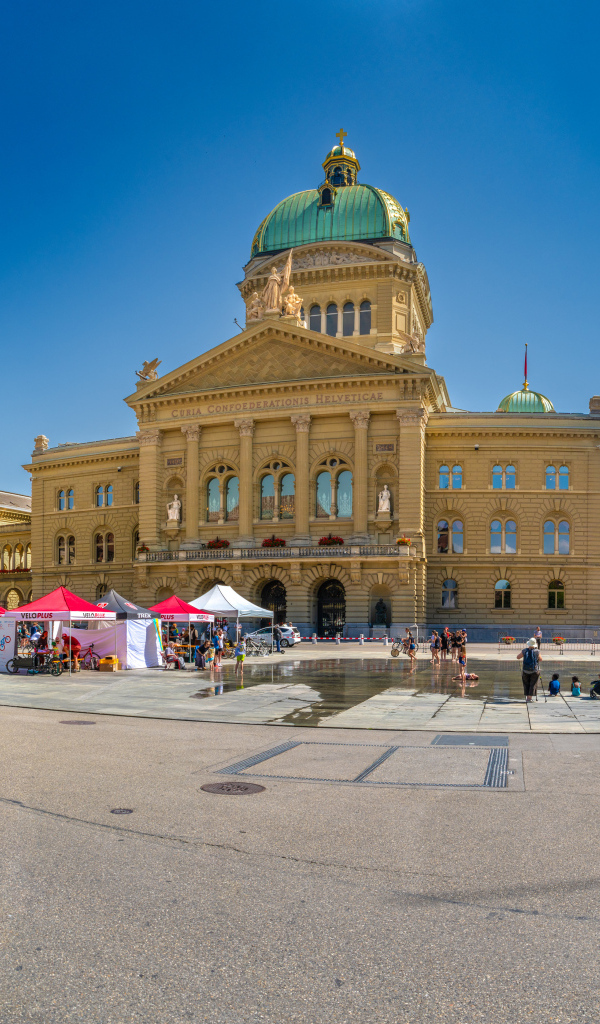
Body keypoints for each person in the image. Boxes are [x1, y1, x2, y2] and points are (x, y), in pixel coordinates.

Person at [517, 638, 542, 703]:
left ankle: (527, 697)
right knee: (533, 684)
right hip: (535, 670)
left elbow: (518, 657)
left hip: (525, 670)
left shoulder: (525, 651)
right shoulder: (537, 651)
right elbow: (541, 659)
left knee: (526, 683)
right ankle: (529, 698)